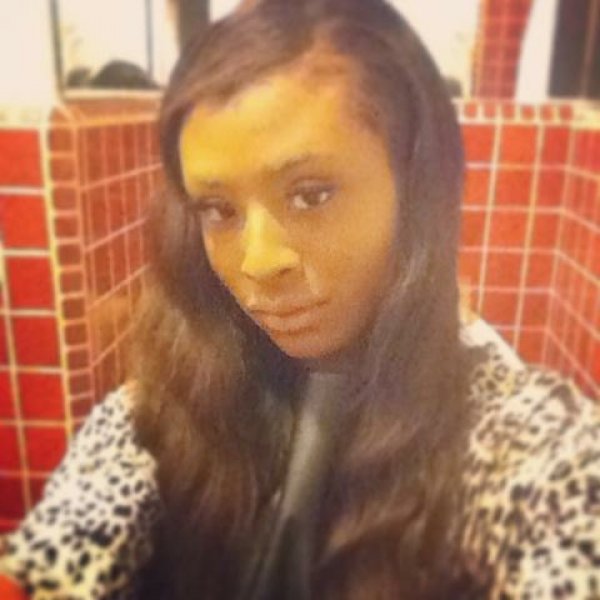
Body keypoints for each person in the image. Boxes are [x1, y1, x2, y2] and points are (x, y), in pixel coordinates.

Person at [2, 0, 600, 598]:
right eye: (219, 210)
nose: (260, 262)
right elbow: (58, 558)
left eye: (311, 195)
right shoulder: (160, 416)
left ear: (417, 192)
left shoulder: (526, 444)